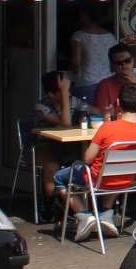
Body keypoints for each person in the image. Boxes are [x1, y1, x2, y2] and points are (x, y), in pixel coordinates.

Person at [56, 81, 136, 241]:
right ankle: (105, 213)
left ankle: (84, 215)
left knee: (59, 178)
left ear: (118, 103)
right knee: (115, 172)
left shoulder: (107, 128)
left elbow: (87, 158)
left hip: (98, 181)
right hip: (128, 180)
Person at [33, 70, 88, 216]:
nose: (68, 93)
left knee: (84, 162)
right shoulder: (41, 106)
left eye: (69, 90)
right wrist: (64, 94)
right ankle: (51, 204)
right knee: (52, 167)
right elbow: (66, 123)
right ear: (51, 94)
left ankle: (74, 206)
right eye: (64, 90)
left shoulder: (73, 101)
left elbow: (92, 110)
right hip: (45, 145)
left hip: (69, 146)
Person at [92, 43, 136, 120]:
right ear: (112, 66)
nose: (124, 66)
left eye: (127, 61)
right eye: (119, 63)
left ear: (133, 61)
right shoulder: (105, 85)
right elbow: (103, 115)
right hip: (117, 128)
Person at [70, 3, 118, 100]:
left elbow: (76, 63)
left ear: (86, 16)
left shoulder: (79, 36)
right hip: (108, 82)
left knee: (86, 113)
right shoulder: (111, 37)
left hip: (87, 82)